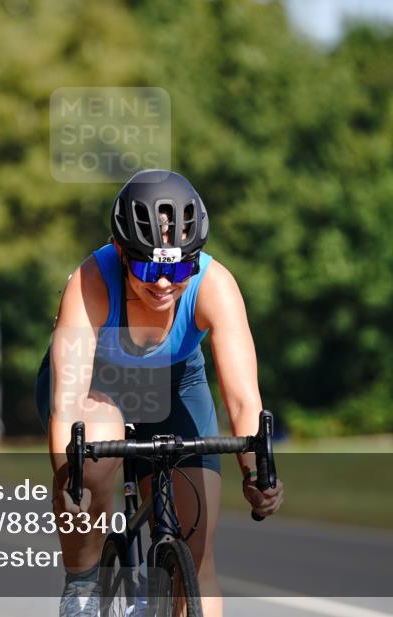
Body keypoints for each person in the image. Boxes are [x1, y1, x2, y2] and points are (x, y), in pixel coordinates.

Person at [35, 169, 285, 617]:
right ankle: (83, 583)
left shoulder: (216, 286)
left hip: (176, 385)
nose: (165, 283)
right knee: (92, 460)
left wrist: (257, 474)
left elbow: (244, 400)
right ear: (121, 252)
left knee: (197, 552)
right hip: (94, 385)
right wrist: (70, 483)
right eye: (149, 268)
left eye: (179, 267)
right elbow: (68, 403)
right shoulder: (91, 282)